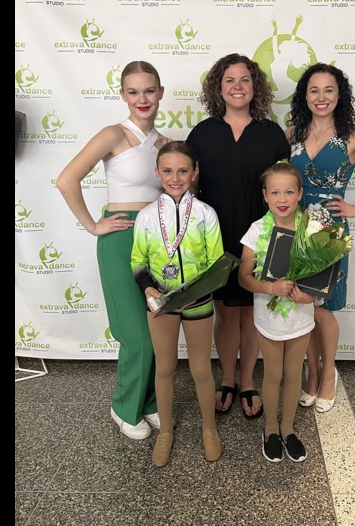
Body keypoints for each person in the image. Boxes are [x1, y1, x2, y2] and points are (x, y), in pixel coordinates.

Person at [55, 61, 170, 440]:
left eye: (149, 91)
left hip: (155, 240)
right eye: (133, 92)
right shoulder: (112, 135)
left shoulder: (166, 144)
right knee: (134, 332)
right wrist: (93, 224)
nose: (142, 99)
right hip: (121, 238)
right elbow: (66, 179)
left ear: (161, 93)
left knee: (156, 327)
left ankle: (149, 401)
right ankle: (123, 407)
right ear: (122, 95)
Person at [287, 63, 355, 413]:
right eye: (314, 90)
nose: (321, 97)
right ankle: (311, 372)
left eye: (329, 90)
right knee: (300, 305)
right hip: (294, 226)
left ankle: (328, 374)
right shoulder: (291, 131)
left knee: (324, 309)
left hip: (330, 231)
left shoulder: (354, 134)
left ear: (340, 95)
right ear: (305, 96)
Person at [186, 53, 290, 420]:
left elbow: (283, 189)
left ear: (255, 86)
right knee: (225, 313)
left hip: (258, 238)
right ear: (219, 87)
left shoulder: (271, 134)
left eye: (244, 80)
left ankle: (247, 381)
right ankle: (227, 378)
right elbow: (189, 187)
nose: (237, 87)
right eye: (229, 80)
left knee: (252, 312)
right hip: (214, 238)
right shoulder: (202, 133)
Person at [131, 141, 224, 467]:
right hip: (161, 304)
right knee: (166, 367)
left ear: (194, 172)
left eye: (183, 170)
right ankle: (166, 432)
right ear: (157, 173)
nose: (175, 177)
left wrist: (198, 292)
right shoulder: (145, 217)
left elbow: (216, 265)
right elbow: (138, 263)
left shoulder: (205, 215)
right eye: (167, 170)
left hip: (198, 303)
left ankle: (209, 428)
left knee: (200, 370)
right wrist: (149, 290)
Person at [238, 162, 315, 463]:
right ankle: (270, 429)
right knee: (274, 374)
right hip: (269, 319)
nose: (282, 199)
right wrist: (271, 289)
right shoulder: (257, 230)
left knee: (294, 374)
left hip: (301, 317)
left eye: (289, 192)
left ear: (299, 194)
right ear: (265, 196)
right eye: (275, 192)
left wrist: (311, 296)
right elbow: (244, 277)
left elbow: (325, 276)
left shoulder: (312, 229)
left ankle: (288, 429)